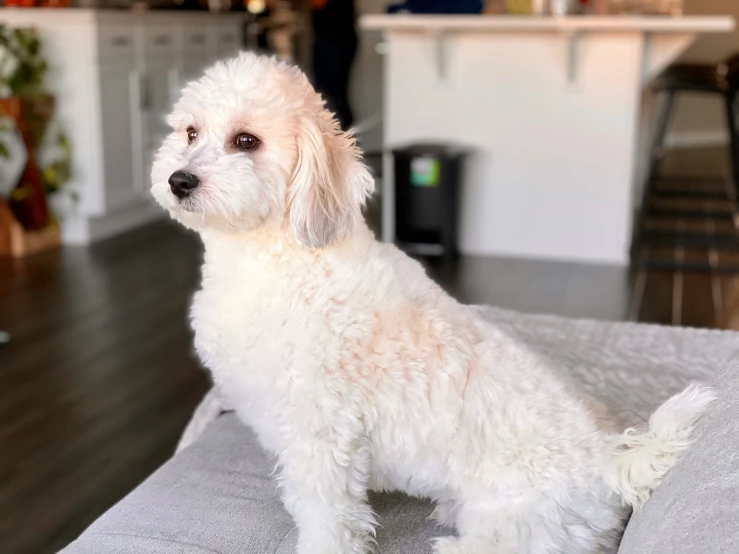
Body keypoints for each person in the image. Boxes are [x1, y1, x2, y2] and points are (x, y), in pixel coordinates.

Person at [310, 0, 357, 131]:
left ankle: (341, 142)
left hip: (335, 38)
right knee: (332, 95)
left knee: (330, 96)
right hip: (334, 36)